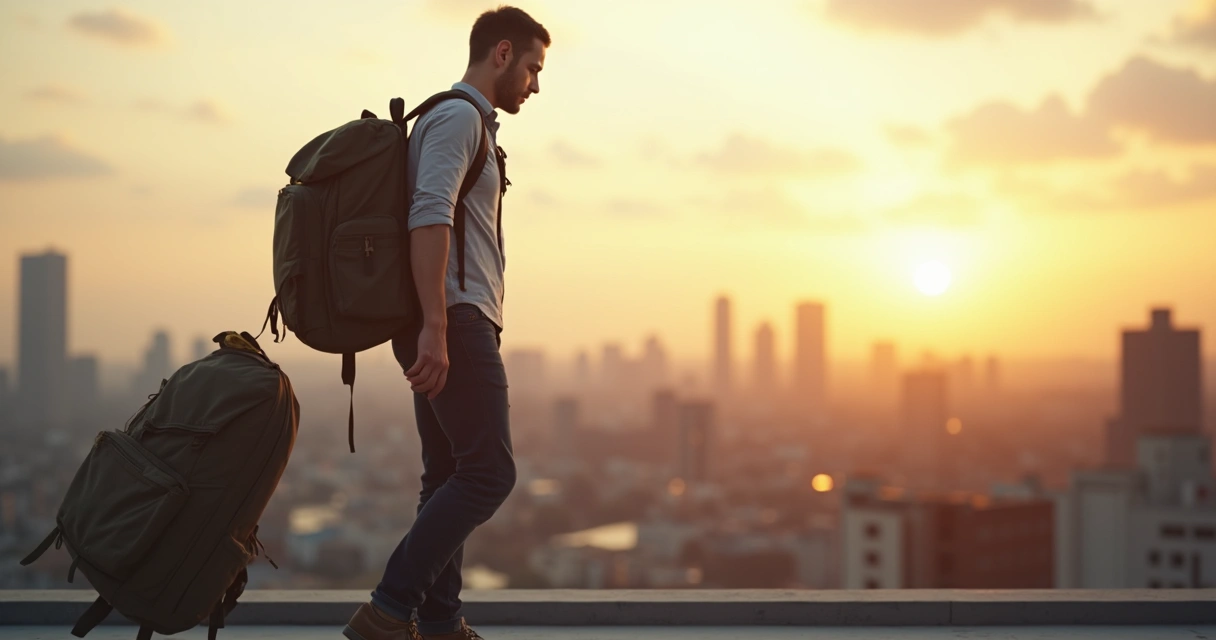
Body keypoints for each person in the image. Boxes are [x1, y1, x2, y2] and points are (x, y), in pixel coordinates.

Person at [343, 6, 549, 640]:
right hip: (455, 319)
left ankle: (439, 619)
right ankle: (389, 607)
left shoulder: (455, 119)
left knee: (448, 474)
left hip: (446, 316)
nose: (536, 86)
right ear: (503, 53)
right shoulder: (459, 117)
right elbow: (429, 214)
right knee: (490, 472)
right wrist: (437, 325)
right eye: (534, 69)